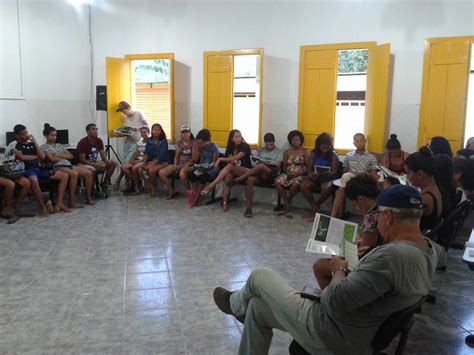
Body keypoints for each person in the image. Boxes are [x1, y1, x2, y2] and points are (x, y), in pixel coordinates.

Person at [212, 184, 446, 355]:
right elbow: (382, 281)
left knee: (260, 275)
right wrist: (364, 259)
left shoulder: (391, 257)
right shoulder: (431, 250)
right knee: (257, 308)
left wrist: (340, 269)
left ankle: (234, 304)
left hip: (333, 334)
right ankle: (243, 307)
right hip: (359, 331)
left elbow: (333, 301)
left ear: (387, 217)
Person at [313, 173, 381, 289]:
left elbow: (363, 255)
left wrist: (341, 252)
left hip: (370, 268)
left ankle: (331, 299)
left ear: (361, 199)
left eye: (354, 204)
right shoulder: (381, 207)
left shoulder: (371, 218)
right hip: (379, 259)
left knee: (319, 266)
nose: (355, 208)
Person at [13, 124, 70, 215]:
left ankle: (59, 203)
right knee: (33, 179)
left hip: (40, 168)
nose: (26, 135)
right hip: (28, 170)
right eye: (23, 134)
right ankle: (42, 206)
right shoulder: (16, 145)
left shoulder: (32, 144)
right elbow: (21, 157)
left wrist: (35, 142)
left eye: (26, 132)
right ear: (17, 135)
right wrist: (36, 156)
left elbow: (42, 156)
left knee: (64, 175)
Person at [224, 132, 283, 218]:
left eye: (271, 144)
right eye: (267, 145)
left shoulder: (279, 151)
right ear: (264, 143)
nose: (269, 146)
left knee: (261, 166)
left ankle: (238, 179)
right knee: (251, 178)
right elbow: (255, 162)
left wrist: (264, 162)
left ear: (274, 142)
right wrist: (257, 161)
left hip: (271, 174)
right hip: (259, 173)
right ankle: (248, 208)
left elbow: (278, 165)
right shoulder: (261, 150)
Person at [41, 123, 94, 206]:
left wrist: (58, 155)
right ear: (46, 136)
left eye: (55, 135)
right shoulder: (44, 147)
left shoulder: (59, 145)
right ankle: (71, 201)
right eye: (52, 135)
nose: (54, 137)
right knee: (74, 174)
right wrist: (63, 157)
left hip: (68, 165)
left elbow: (71, 156)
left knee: (88, 173)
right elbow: (52, 159)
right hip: (57, 166)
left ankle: (88, 197)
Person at [201, 129, 252, 212]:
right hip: (235, 170)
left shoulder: (245, 146)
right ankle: (225, 202)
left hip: (247, 171)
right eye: (236, 137)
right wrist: (231, 161)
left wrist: (220, 159)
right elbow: (230, 160)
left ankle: (211, 185)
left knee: (230, 167)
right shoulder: (230, 148)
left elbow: (236, 158)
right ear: (232, 139)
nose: (239, 138)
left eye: (240, 136)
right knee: (228, 175)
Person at [330, 133, 378, 218]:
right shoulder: (349, 156)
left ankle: (367, 219)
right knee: (341, 189)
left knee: (352, 191)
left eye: (361, 141)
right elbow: (344, 172)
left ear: (365, 141)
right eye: (357, 141)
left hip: (363, 182)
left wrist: (360, 175)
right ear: (354, 143)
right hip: (350, 181)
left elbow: (374, 175)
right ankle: (333, 217)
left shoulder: (371, 157)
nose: (359, 143)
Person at [300, 133, 340, 218]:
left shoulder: (333, 156)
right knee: (303, 185)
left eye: (328, 146)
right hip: (316, 177)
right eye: (323, 146)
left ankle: (317, 205)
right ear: (318, 145)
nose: (325, 148)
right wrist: (311, 175)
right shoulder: (314, 154)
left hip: (328, 178)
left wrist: (327, 173)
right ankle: (314, 205)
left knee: (327, 188)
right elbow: (309, 169)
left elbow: (335, 172)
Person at [405, 147, 443, 231]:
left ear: (419, 174)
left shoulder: (425, 198)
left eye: (408, 173)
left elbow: (404, 219)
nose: (407, 177)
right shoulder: (434, 188)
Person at [113, 101, 149, 190]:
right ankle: (129, 184)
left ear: (129, 108)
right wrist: (120, 133)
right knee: (125, 162)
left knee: (128, 162)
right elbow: (127, 130)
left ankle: (122, 181)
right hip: (128, 140)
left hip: (137, 141)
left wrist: (138, 129)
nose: (124, 113)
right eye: (122, 111)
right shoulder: (125, 118)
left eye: (124, 110)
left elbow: (147, 126)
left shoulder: (139, 114)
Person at [274, 130, 310, 217]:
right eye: (293, 140)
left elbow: (308, 167)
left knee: (295, 184)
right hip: (288, 174)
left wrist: (299, 173)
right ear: (290, 141)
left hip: (301, 175)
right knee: (277, 181)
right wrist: (287, 173)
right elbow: (284, 166)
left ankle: (286, 205)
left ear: (301, 140)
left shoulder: (305, 152)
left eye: (297, 139)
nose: (296, 141)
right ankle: (287, 203)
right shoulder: (287, 152)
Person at [159, 125, 199, 200]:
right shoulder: (179, 143)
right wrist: (175, 165)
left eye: (187, 132)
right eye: (183, 132)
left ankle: (189, 191)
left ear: (190, 133)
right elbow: (176, 156)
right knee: (162, 172)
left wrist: (181, 166)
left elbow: (194, 159)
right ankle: (171, 191)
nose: (185, 134)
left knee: (182, 173)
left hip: (190, 164)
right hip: (179, 164)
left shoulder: (194, 143)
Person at [77, 123, 117, 194]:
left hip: (95, 161)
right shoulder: (83, 142)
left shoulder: (99, 140)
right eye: (93, 129)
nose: (96, 131)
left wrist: (106, 160)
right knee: (91, 170)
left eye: (96, 129)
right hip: (84, 163)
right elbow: (82, 160)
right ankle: (90, 191)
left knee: (113, 163)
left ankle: (104, 183)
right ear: (88, 131)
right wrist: (94, 165)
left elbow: (102, 155)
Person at [188, 129, 220, 207]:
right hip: (203, 167)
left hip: (213, 168)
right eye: (198, 143)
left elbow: (214, 163)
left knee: (203, 176)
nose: (199, 145)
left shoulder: (214, 147)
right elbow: (201, 160)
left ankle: (197, 198)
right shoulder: (201, 148)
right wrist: (200, 167)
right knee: (192, 174)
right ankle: (197, 194)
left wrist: (206, 168)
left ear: (207, 141)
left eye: (201, 143)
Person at [142, 123, 170, 197]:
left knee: (151, 170)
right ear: (152, 131)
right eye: (155, 130)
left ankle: (154, 186)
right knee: (141, 169)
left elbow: (161, 156)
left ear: (161, 131)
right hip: (153, 160)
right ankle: (151, 185)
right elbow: (146, 153)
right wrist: (144, 163)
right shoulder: (149, 140)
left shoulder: (163, 141)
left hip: (164, 161)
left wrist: (151, 164)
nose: (156, 131)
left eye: (158, 130)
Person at [120, 126, 149, 195]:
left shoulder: (150, 142)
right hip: (138, 159)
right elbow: (137, 152)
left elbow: (148, 154)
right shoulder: (140, 142)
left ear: (148, 132)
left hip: (145, 160)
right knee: (123, 167)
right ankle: (138, 181)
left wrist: (140, 161)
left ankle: (136, 187)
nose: (143, 134)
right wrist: (133, 159)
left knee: (134, 168)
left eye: (144, 132)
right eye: (141, 132)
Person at [429, 137, 455, 212]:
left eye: (430, 145)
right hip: (449, 196)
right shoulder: (448, 158)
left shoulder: (438, 160)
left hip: (441, 199)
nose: (428, 147)